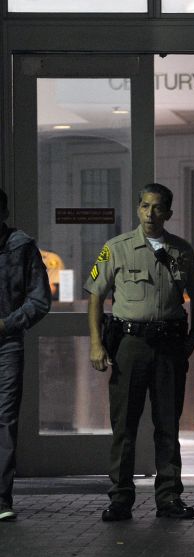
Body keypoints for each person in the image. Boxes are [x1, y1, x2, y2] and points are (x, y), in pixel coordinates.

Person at [85, 183, 194, 522]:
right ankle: (120, 498)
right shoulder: (117, 248)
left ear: (168, 213)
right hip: (131, 344)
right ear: (138, 209)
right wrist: (96, 343)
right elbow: (96, 294)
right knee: (124, 425)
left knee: (167, 423)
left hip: (169, 344)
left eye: (157, 208)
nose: (150, 214)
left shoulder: (181, 251)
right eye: (145, 207)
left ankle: (169, 498)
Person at [0, 189, 51, 521]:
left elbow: (39, 299)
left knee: (4, 421)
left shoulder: (20, 246)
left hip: (6, 344)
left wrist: (7, 324)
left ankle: (1, 499)